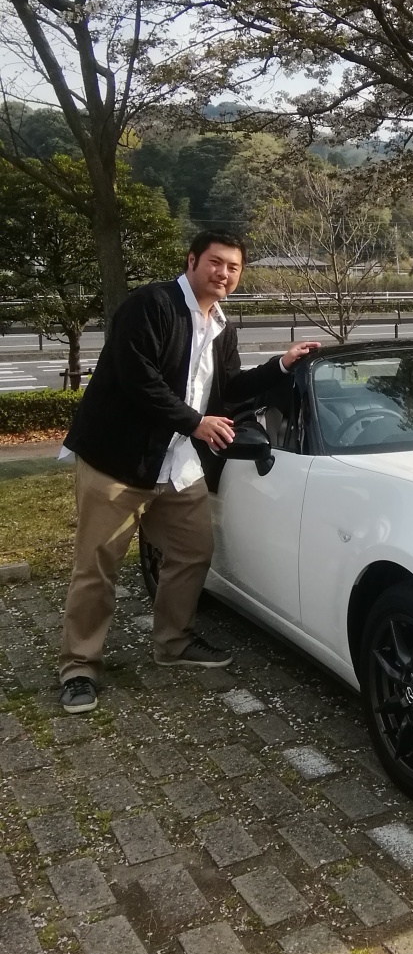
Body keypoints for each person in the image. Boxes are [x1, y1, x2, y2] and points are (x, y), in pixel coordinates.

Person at [57, 231, 320, 714]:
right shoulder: (151, 305)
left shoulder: (221, 326)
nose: (224, 273)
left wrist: (280, 366)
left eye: (233, 268)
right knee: (96, 568)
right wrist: (195, 423)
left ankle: (173, 642)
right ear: (192, 261)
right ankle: (79, 666)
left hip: (176, 463)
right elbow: (138, 380)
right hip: (117, 460)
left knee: (193, 551)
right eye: (215, 262)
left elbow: (230, 387)